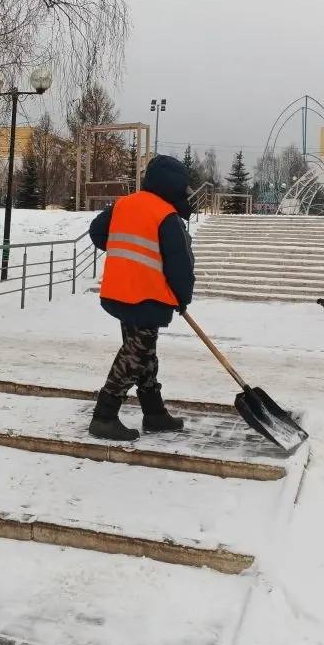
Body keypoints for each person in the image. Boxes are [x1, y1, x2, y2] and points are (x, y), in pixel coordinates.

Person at [88, 155, 195, 441]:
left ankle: (154, 412)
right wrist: (183, 296)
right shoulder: (165, 215)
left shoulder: (125, 204)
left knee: (143, 352)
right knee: (135, 354)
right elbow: (180, 264)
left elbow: (98, 233)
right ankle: (104, 415)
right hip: (147, 295)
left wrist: (123, 251)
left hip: (119, 291)